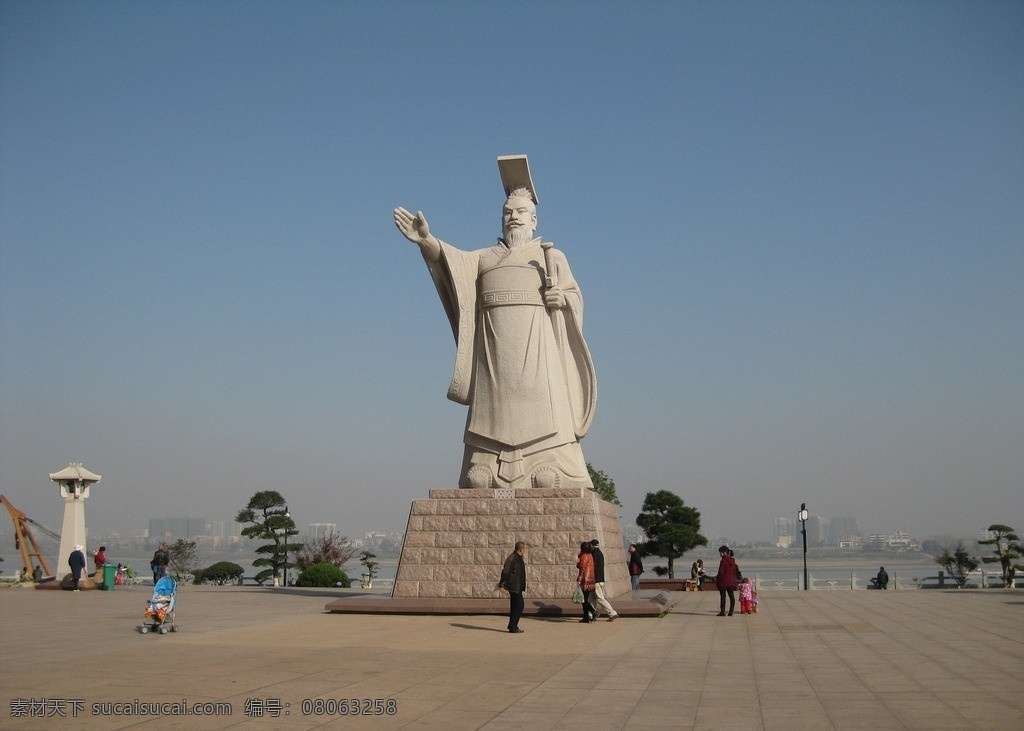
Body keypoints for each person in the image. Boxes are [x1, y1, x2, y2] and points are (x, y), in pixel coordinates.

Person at [392, 156, 597, 491]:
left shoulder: (550, 257)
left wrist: (562, 300)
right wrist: (428, 241)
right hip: (494, 352)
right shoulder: (484, 257)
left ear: (534, 220)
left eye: (520, 213)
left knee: (544, 406)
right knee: (491, 417)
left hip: (537, 347)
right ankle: (488, 464)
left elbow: (574, 297)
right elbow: (451, 262)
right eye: (508, 212)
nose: (513, 218)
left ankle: (550, 461)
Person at [499, 541, 527, 633]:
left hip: (517, 586)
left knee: (515, 606)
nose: (525, 550)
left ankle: (512, 626)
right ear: (521, 549)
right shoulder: (512, 558)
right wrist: (502, 582)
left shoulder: (518, 558)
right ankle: (513, 626)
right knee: (519, 605)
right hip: (514, 586)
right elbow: (506, 572)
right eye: (524, 549)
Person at [589, 539, 618, 621]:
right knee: (591, 598)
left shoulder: (595, 554)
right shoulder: (599, 553)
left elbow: (594, 567)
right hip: (599, 579)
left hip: (596, 580)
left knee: (600, 598)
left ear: (592, 546)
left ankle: (612, 613)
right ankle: (591, 614)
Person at [576, 542, 598, 622]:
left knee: (584, 600)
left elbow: (582, 569)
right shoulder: (590, 555)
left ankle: (593, 611)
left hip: (585, 580)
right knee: (584, 599)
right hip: (591, 579)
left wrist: (579, 579)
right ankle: (586, 617)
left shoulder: (583, 556)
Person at [715, 545, 737, 616]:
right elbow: (734, 571)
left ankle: (723, 611)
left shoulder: (723, 561)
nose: (720, 554)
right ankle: (731, 611)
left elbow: (721, 572)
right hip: (731, 581)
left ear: (724, 553)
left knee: (723, 597)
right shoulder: (733, 561)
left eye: (720, 553)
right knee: (731, 596)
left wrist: (717, 580)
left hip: (723, 582)